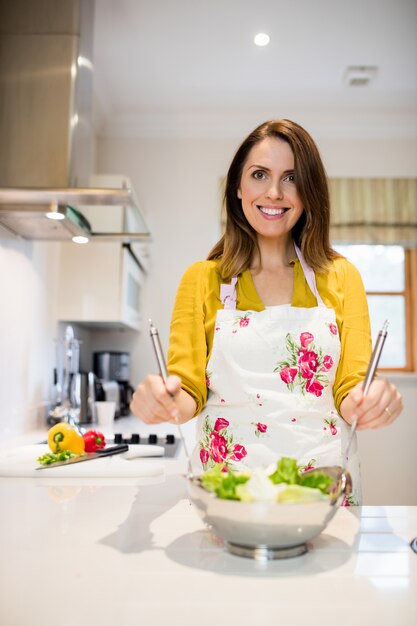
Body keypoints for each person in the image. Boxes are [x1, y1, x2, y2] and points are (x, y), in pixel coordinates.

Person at [130, 119, 403, 504]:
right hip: (228, 493)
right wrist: (162, 401)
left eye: (291, 178)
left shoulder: (341, 277)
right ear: (237, 188)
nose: (274, 192)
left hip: (320, 490)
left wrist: (372, 400)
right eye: (259, 175)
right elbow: (188, 389)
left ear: (309, 192)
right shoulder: (203, 279)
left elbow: (349, 387)